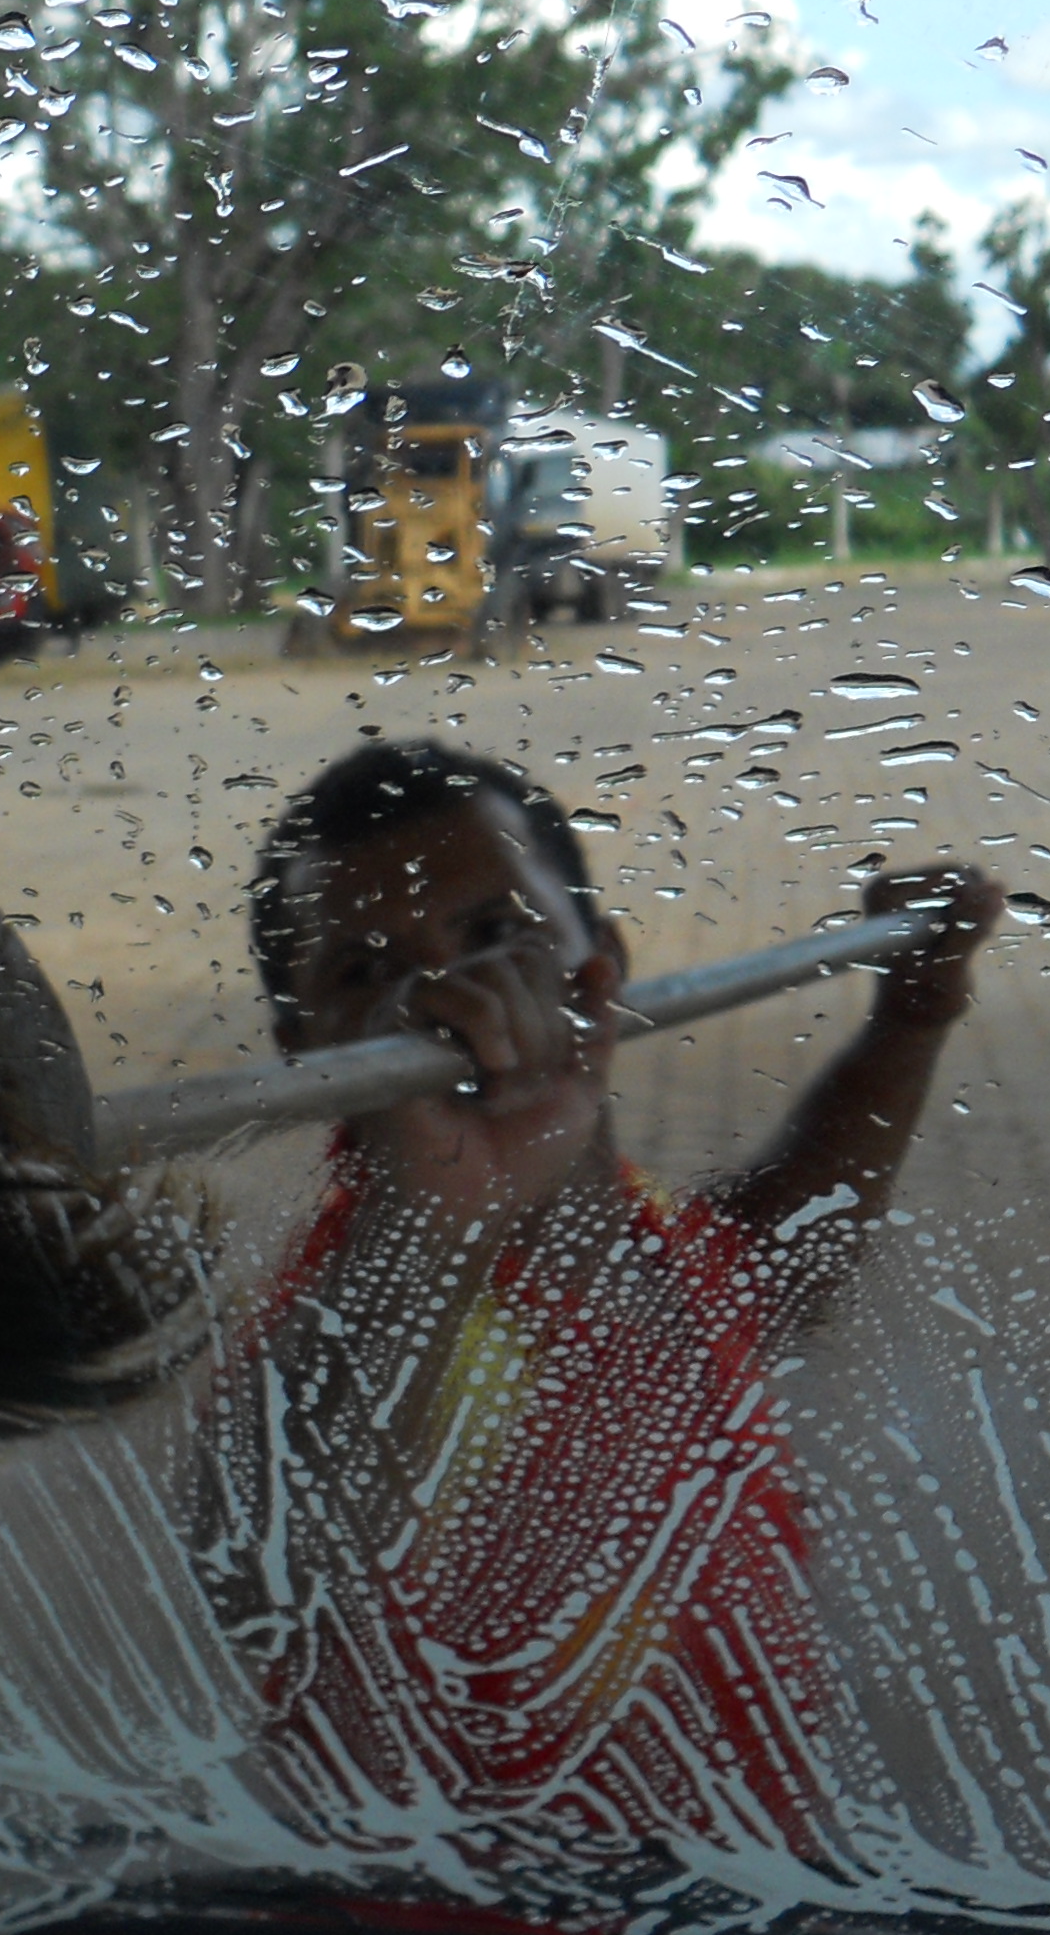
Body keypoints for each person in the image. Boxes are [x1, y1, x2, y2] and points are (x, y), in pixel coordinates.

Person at [208, 738, 1003, 1876]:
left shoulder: (635, 1231)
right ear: (301, 1051)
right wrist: (438, 1221)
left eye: (496, 938)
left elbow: (773, 1269)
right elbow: (260, 1557)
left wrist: (907, 1025)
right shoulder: (386, 1294)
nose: (452, 1001)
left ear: (599, 969)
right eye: (365, 975)